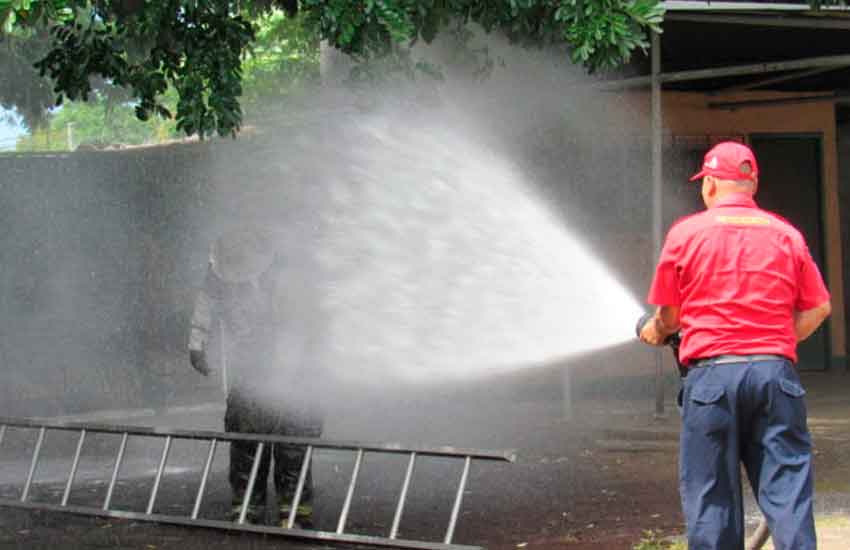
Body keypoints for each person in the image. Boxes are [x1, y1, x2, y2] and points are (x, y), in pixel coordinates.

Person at [639, 141, 831, 550]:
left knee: (712, 502)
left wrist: (653, 330)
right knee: (789, 499)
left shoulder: (686, 234)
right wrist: (773, 342)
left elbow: (669, 319)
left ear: (709, 184)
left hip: (711, 382)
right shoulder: (786, 234)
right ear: (753, 182)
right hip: (775, 378)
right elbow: (820, 308)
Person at [188, 225, 323, 528]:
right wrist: (196, 343)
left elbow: (300, 329)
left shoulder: (289, 276)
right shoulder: (222, 265)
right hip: (249, 365)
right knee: (247, 439)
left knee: (292, 443)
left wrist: (284, 377)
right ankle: (248, 508)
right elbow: (206, 304)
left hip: (294, 370)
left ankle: (295, 513)